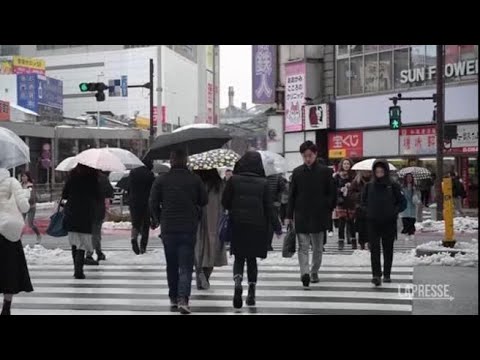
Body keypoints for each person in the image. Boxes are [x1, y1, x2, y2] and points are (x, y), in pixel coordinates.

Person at [149, 149, 207, 315]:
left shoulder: (162, 180)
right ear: (186, 160)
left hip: (168, 228)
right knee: (186, 266)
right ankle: (183, 299)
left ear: (171, 160)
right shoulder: (194, 179)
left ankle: (173, 297)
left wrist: (158, 218)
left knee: (172, 265)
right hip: (188, 227)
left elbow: (152, 202)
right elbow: (204, 200)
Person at [222, 151, 280, 309]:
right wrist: (277, 226)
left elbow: (225, 201)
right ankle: (252, 291)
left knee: (239, 257)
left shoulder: (233, 180)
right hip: (257, 225)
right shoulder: (263, 182)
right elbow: (269, 207)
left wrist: (233, 206)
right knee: (252, 259)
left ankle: (238, 282)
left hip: (238, 224)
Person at [286, 141, 336, 288]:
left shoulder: (325, 172)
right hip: (301, 214)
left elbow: (332, 194)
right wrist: (289, 215)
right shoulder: (297, 172)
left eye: (310, 155)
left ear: (315, 154)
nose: (307, 158)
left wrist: (327, 206)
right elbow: (292, 195)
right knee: (302, 246)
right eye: (304, 156)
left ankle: (314, 270)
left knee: (318, 247)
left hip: (319, 215)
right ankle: (305, 273)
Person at [361, 159, 405, 286]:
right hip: (372, 222)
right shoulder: (369, 186)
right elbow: (362, 203)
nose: (379, 173)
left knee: (388, 248)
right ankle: (376, 275)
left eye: (382, 171)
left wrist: (394, 211)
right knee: (374, 249)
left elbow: (402, 203)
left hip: (389, 222)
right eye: (377, 171)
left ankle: (387, 274)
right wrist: (367, 211)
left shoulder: (393, 185)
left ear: (386, 171)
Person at [0, 167, 33, 315]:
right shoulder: (12, 182)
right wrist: (25, 195)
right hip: (8, 232)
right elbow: (25, 207)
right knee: (10, 269)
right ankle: (6, 307)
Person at [61, 164, 102, 280]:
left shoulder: (72, 178)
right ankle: (79, 270)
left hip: (72, 212)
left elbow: (64, 194)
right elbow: (98, 196)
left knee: (74, 242)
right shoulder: (92, 179)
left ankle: (76, 268)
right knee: (82, 243)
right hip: (86, 213)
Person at [194, 169, 228, 290]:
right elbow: (226, 202)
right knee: (212, 250)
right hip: (216, 221)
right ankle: (206, 276)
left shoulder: (198, 183)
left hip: (200, 219)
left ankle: (200, 273)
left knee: (199, 248)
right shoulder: (219, 184)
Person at [85, 171, 114, 265]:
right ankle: (97, 252)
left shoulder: (84, 177)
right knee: (96, 232)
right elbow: (110, 192)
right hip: (98, 208)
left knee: (88, 232)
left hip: (86, 209)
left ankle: (89, 253)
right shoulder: (103, 178)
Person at [128, 159, 155, 255]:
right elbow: (153, 189)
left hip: (134, 201)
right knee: (145, 224)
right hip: (146, 201)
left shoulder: (133, 172)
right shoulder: (150, 175)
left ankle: (133, 238)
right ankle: (143, 246)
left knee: (135, 223)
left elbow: (129, 187)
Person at [333, 158, 356, 250]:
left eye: (348, 164)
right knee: (341, 222)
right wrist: (340, 189)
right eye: (344, 164)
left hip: (350, 201)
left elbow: (357, 188)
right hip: (340, 201)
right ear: (341, 165)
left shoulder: (354, 175)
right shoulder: (337, 176)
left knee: (351, 222)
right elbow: (333, 188)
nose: (346, 165)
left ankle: (354, 241)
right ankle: (341, 241)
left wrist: (351, 186)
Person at [350, 171, 371, 250]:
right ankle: (362, 243)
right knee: (361, 227)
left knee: (371, 225)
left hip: (371, 207)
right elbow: (351, 193)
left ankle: (370, 242)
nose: (366, 173)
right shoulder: (356, 181)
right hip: (360, 207)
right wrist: (360, 194)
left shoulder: (374, 180)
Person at [20, 171, 41, 244]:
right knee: (20, 223)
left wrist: (27, 199)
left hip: (31, 207)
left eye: (25, 176)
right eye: (22, 176)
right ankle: (19, 239)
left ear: (28, 177)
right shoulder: (20, 185)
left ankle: (38, 235)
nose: (23, 178)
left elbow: (32, 197)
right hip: (23, 207)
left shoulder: (30, 185)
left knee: (30, 224)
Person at [266, 173, 286, 251]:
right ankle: (268, 244)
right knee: (270, 223)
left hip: (266, 202)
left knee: (267, 223)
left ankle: (267, 244)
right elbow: (283, 188)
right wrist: (278, 199)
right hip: (273, 203)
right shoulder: (278, 177)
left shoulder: (261, 175)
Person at [400, 173, 421, 241]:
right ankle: (406, 233)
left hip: (412, 205)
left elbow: (418, 195)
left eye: (410, 177)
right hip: (405, 205)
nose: (409, 178)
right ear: (405, 178)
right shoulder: (402, 187)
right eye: (408, 177)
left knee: (412, 220)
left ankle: (411, 233)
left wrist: (415, 192)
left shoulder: (415, 187)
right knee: (405, 220)